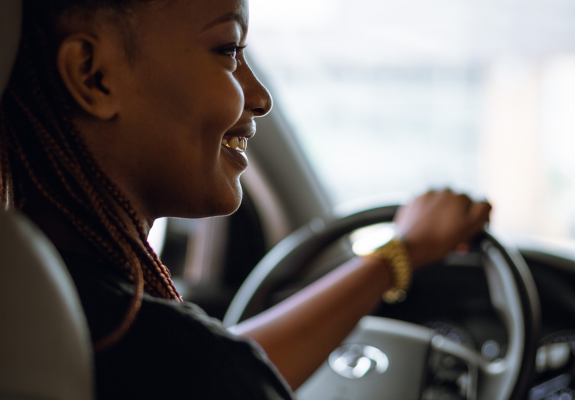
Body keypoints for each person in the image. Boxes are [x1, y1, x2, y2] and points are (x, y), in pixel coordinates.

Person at [0, 0, 492, 398]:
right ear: (93, 74)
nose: (259, 97)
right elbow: (208, 372)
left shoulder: (43, 320)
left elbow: (212, 367)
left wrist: (397, 255)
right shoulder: (179, 360)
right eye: (227, 50)